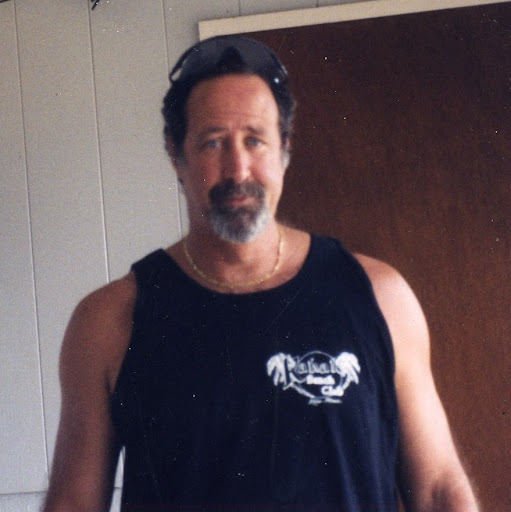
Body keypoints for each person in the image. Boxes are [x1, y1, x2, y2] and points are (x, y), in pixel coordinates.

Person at [43, 36, 479, 512]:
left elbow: (439, 490)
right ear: (176, 155)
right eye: (213, 142)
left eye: (255, 140)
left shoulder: (380, 297)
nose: (238, 169)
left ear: (284, 149)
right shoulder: (109, 323)